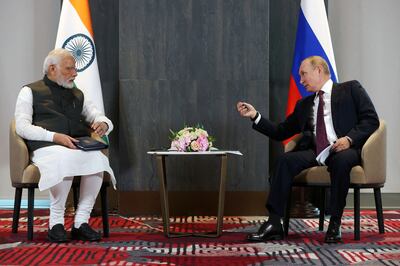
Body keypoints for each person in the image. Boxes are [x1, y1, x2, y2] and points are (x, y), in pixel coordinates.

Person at [236, 55, 379, 243]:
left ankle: (334, 224)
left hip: (344, 148)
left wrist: (349, 139)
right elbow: (281, 131)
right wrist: (255, 116)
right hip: (316, 152)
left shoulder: (351, 89)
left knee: (341, 161)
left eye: (304, 74)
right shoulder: (304, 104)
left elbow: (371, 119)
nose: (301, 80)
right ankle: (274, 223)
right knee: (284, 161)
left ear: (318, 70)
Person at [15, 48, 116, 243]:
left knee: (97, 159)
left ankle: (81, 222)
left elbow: (97, 115)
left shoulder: (78, 94)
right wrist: (54, 137)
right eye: (69, 69)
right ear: (52, 68)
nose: (75, 73)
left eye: (75, 69)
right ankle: (56, 223)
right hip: (46, 147)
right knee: (64, 157)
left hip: (76, 146)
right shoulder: (29, 91)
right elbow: (21, 126)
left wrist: (104, 124)